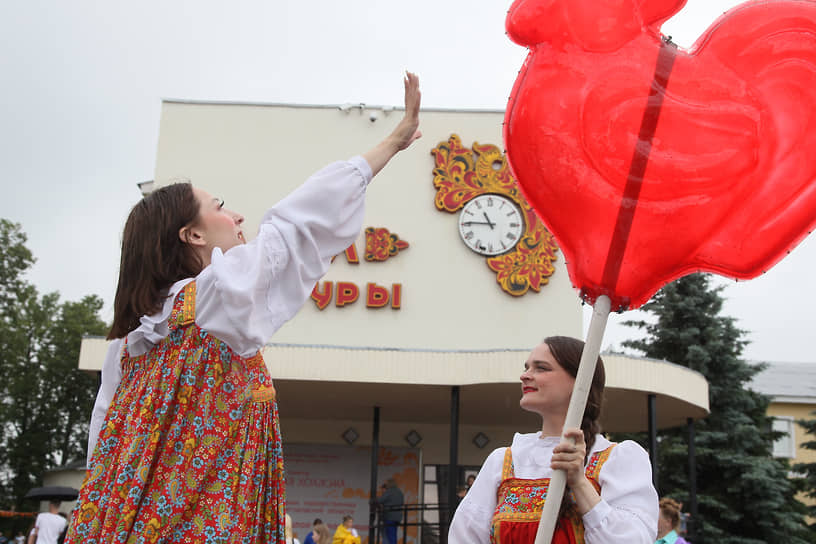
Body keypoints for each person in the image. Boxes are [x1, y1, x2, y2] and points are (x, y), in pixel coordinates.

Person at [65, 73, 422, 544]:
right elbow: (299, 226)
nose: (237, 217)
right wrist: (392, 142)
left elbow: (101, 452)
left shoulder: (131, 346)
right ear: (192, 236)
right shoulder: (211, 301)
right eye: (220, 206)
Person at [449, 336, 659, 543]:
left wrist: (579, 482)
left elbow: (633, 539)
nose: (525, 376)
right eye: (527, 367)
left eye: (541, 368)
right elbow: (464, 538)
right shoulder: (504, 461)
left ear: (580, 381)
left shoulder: (618, 459)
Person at [376, 478, 404, 544]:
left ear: (389, 484)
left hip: (390, 516)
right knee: (393, 534)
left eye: (386, 484)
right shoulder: (400, 492)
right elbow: (402, 502)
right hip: (398, 517)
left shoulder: (389, 491)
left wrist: (376, 499)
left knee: (389, 535)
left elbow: (380, 500)